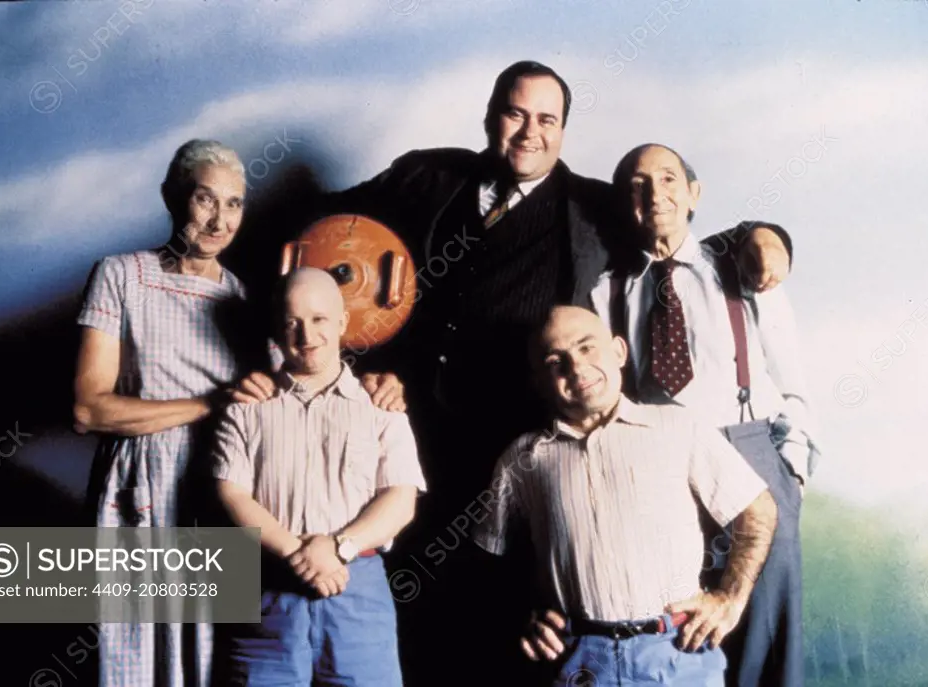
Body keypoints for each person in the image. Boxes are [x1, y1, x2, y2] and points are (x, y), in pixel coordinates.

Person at [236, 61, 795, 686]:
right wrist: (306, 362)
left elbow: (670, 228)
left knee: (504, 630)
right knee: (399, 618)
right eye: (515, 113)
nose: (529, 131)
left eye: (547, 119)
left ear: (563, 131)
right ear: (490, 115)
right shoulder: (427, 174)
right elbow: (314, 237)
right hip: (400, 437)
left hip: (516, 452)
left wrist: (759, 235)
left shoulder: (590, 206)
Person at [527, 143, 819, 686]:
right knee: (677, 632)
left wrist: (791, 477)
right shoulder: (604, 290)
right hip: (657, 472)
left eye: (666, 180)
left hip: (748, 455)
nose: (654, 194)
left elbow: (793, 383)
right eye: (637, 186)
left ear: (693, 195)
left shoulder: (743, 271)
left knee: (762, 641)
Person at [473, 305, 778, 687]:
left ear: (619, 350)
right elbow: (486, 560)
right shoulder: (521, 459)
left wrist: (730, 599)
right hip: (577, 663)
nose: (577, 368)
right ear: (538, 380)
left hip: (679, 655)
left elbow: (758, 509)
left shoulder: (678, 425)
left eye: (587, 348)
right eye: (556, 361)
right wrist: (521, 615)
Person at [74, 139, 263, 687]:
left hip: (219, 489)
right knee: (127, 655)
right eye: (206, 200)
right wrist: (209, 404)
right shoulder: (121, 275)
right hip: (137, 488)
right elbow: (89, 408)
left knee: (209, 659)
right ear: (172, 198)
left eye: (234, 205)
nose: (219, 220)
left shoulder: (246, 302)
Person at [211, 267, 426, 686]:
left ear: (344, 321)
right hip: (264, 585)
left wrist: (338, 548)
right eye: (292, 323)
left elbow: (401, 498)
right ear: (277, 329)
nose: (306, 335)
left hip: (356, 586)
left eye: (320, 319)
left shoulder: (381, 406)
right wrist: (300, 554)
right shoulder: (245, 407)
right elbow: (231, 492)